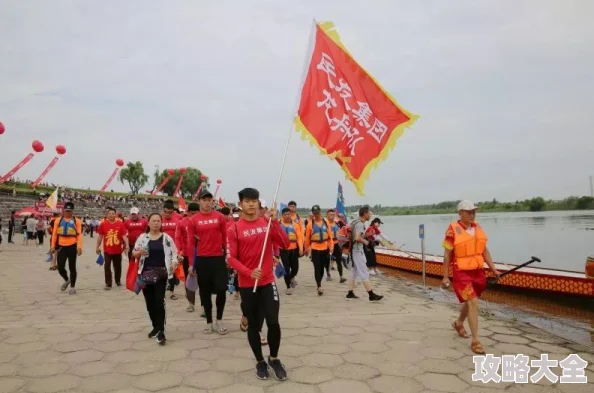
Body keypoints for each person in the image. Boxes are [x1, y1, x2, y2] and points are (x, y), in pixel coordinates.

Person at [227, 187, 290, 380]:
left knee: (273, 322)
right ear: (240, 204)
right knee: (254, 326)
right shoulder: (234, 228)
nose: (251, 203)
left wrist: (276, 222)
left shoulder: (267, 222)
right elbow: (230, 258)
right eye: (247, 200)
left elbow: (285, 243)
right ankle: (260, 362)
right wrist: (248, 272)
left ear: (258, 203)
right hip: (247, 284)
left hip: (267, 281)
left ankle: (274, 358)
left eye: (254, 200)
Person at [441, 200, 500, 354]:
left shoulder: (477, 228)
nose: (472, 215)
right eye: (469, 212)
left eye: (474, 212)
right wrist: (445, 276)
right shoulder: (452, 231)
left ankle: (459, 323)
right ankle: (476, 341)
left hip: (478, 272)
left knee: (470, 302)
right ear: (460, 213)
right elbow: (447, 255)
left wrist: (493, 269)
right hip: (461, 274)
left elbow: (484, 251)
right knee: (473, 302)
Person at [132, 213, 178, 345]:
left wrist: (174, 262)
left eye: (158, 221)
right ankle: (155, 326)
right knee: (149, 303)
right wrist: (139, 253)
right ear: (148, 223)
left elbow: (174, 253)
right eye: (153, 221)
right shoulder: (142, 238)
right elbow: (134, 253)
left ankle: (161, 331)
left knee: (159, 302)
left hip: (161, 274)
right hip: (145, 274)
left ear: (161, 223)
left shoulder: (166, 238)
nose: (156, 223)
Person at [186, 190, 228, 334]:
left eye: (209, 200)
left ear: (212, 202)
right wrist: (191, 263)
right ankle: (209, 322)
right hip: (202, 260)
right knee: (205, 292)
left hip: (218, 259)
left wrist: (228, 255)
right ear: (200, 202)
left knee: (222, 290)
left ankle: (219, 320)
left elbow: (225, 237)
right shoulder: (193, 220)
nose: (207, 202)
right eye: (204, 200)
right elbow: (191, 243)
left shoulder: (220, 217)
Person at [345, 206, 383, 301]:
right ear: (365, 214)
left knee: (354, 272)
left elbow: (357, 236)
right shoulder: (360, 224)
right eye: (369, 213)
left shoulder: (356, 222)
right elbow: (357, 238)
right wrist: (367, 242)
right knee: (364, 272)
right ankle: (371, 295)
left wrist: (366, 235)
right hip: (358, 251)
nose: (370, 215)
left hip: (354, 251)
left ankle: (350, 293)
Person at [50, 202, 83, 295]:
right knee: (60, 267)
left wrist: (80, 247)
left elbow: (79, 235)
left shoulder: (77, 221)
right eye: (66, 211)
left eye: (70, 211)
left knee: (72, 267)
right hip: (61, 246)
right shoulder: (58, 221)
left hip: (72, 246)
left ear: (72, 211)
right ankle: (67, 280)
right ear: (63, 211)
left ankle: (72, 286)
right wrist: (52, 246)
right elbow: (54, 235)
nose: (68, 213)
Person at [175, 202, 200, 313]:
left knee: (203, 280)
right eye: (192, 213)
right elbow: (178, 238)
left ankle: (205, 305)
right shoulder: (181, 223)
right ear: (188, 212)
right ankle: (191, 303)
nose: (194, 215)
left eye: (196, 213)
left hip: (201, 254)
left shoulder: (202, 222)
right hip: (186, 254)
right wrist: (179, 252)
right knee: (189, 279)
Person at [304, 205, 334, 295]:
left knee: (322, 269)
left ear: (320, 212)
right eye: (315, 213)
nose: (317, 215)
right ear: (313, 214)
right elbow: (307, 239)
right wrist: (306, 249)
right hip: (315, 249)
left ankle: (319, 283)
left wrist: (331, 246)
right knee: (317, 268)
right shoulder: (310, 224)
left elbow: (330, 236)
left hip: (325, 249)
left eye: (318, 213)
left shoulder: (326, 222)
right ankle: (319, 286)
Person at [96, 207, 129, 289]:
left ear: (115, 215)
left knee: (117, 267)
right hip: (107, 250)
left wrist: (127, 244)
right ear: (107, 215)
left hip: (118, 250)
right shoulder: (103, 224)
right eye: (109, 213)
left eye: (113, 213)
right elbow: (100, 237)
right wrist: (97, 246)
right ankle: (108, 283)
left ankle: (117, 280)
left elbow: (124, 235)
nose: (111, 215)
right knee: (107, 266)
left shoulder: (120, 224)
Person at [279, 207, 303, 294]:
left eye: (288, 214)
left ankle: (292, 277)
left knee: (295, 268)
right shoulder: (278, 225)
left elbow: (299, 238)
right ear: (282, 215)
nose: (287, 216)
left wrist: (300, 248)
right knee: (286, 268)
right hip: (283, 250)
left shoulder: (295, 225)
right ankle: (288, 287)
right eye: (285, 214)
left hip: (294, 249)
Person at [162, 200, 181, 300]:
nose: (168, 214)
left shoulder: (178, 219)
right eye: (166, 212)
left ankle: (171, 291)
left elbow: (181, 234)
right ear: (163, 211)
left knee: (171, 269)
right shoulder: (159, 219)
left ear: (173, 211)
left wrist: (179, 250)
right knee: (162, 269)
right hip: (161, 248)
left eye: (170, 212)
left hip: (173, 249)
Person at [326, 209, 347, 283]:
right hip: (328, 244)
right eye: (330, 214)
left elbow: (340, 233)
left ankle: (341, 277)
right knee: (327, 260)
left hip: (336, 243)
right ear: (327, 215)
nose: (332, 216)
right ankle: (328, 275)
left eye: (333, 214)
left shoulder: (337, 224)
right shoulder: (325, 224)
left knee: (339, 260)